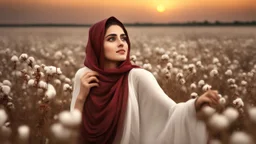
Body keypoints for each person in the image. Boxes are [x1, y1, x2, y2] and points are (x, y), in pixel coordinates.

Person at [70, 16, 220, 144]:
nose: (121, 43)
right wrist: (81, 98)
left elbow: (171, 112)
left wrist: (195, 105)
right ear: (96, 45)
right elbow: (72, 132)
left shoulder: (138, 76)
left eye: (124, 38)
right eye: (111, 39)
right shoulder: (84, 77)